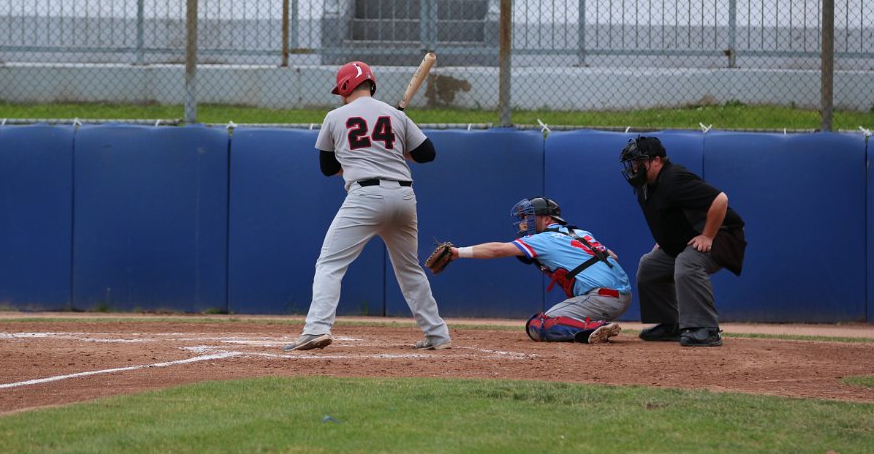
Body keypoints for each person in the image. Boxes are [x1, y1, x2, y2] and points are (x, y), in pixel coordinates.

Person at [284, 61, 452, 351]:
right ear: (371, 84)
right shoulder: (395, 115)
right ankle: (437, 335)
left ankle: (316, 329)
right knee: (409, 270)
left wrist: (356, 156)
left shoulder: (335, 116)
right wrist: (397, 147)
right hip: (404, 197)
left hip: (366, 196)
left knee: (330, 264)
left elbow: (328, 168)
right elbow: (427, 154)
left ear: (346, 86)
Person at [439, 197, 631, 344]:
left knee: (541, 323)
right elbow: (612, 256)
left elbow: (498, 250)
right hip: (621, 295)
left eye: (529, 217)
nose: (524, 222)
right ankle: (595, 326)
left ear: (547, 219)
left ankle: (595, 328)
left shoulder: (542, 239)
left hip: (601, 298)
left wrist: (458, 252)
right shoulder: (580, 233)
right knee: (547, 320)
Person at [619, 135, 746, 347]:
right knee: (650, 267)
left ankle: (707, 329)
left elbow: (720, 200)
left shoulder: (674, 179)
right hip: (689, 238)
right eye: (633, 163)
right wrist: (666, 240)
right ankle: (671, 324)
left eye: (640, 161)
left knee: (687, 263)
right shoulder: (645, 185)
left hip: (724, 235)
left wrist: (708, 235)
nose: (634, 167)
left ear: (657, 160)